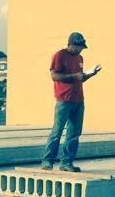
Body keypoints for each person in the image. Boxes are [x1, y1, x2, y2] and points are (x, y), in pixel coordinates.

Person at [40, 31, 101, 172]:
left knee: (74, 134)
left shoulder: (80, 58)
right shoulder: (60, 55)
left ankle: (67, 163)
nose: (80, 50)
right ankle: (47, 160)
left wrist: (90, 75)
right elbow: (54, 76)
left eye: (81, 48)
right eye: (78, 47)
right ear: (71, 44)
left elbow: (80, 78)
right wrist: (75, 75)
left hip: (78, 100)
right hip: (63, 99)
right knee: (57, 131)